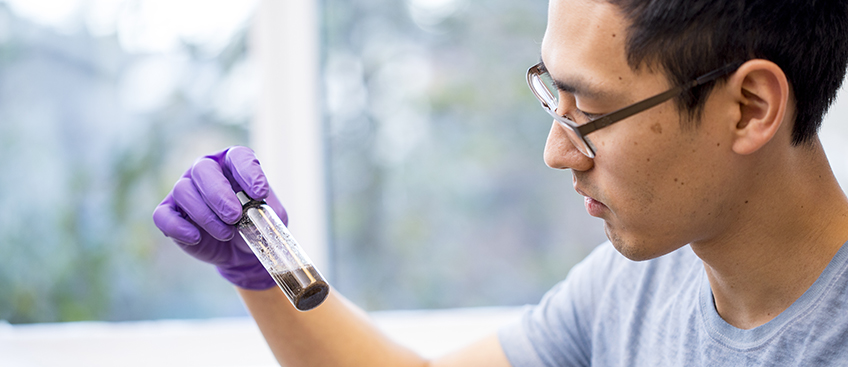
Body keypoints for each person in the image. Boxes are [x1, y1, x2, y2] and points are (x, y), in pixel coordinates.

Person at [152, 0, 848, 365]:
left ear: (750, 107)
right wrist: (266, 270)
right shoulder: (637, 286)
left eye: (593, 111)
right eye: (555, 95)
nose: (557, 150)